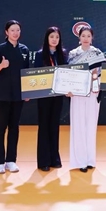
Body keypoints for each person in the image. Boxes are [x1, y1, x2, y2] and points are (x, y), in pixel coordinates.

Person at [0, 20, 30, 174]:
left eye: (18, 30)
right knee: (1, 128)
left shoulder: (24, 50)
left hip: (18, 96)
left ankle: (11, 161)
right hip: (2, 95)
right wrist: (2, 65)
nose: (15, 33)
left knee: (14, 128)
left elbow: (27, 73)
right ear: (6, 32)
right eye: (12, 30)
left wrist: (27, 92)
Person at [67, 26, 106, 172]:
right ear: (79, 37)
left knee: (90, 126)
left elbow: (104, 74)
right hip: (77, 94)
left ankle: (90, 160)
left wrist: (97, 85)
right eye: (83, 35)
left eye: (88, 36)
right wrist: (69, 89)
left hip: (93, 93)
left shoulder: (98, 53)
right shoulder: (73, 54)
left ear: (92, 38)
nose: (85, 38)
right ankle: (80, 161)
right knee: (78, 126)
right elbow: (69, 74)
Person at [34, 26, 68, 172]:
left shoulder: (63, 54)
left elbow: (67, 74)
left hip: (57, 96)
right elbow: (35, 75)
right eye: (52, 37)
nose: (54, 39)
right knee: (44, 126)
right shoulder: (40, 54)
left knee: (54, 125)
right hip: (44, 96)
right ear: (47, 38)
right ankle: (43, 161)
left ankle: (55, 158)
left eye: (57, 37)